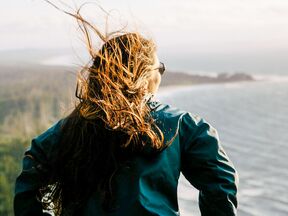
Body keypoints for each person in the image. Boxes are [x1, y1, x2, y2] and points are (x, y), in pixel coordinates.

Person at [14, 12, 238, 216]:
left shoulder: (67, 130)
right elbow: (221, 182)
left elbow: (29, 184)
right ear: (144, 75)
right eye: (159, 68)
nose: (161, 76)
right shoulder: (182, 125)